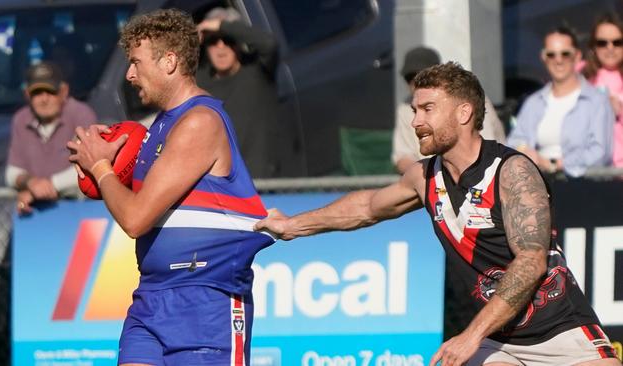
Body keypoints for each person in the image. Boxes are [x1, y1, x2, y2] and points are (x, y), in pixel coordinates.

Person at [254, 62, 621, 366]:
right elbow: (366, 207)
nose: (415, 121)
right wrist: (292, 225)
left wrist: (469, 336)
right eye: (415, 110)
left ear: (464, 113)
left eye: (427, 109)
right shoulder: (424, 175)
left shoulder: (511, 171)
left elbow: (531, 263)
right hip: (497, 342)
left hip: (561, 333)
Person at [67, 9, 274, 365]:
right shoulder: (160, 126)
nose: (129, 75)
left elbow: (135, 218)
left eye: (135, 62)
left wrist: (101, 167)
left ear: (169, 62)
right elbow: (125, 188)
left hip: (206, 301)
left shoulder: (200, 122)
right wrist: (103, 159)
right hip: (151, 298)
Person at [508, 27, 614, 177]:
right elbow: (513, 141)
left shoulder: (597, 101)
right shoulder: (533, 103)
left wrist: (557, 164)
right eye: (551, 54)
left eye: (565, 54)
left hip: (583, 187)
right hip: (537, 186)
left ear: (577, 56)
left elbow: (601, 154)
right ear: (543, 57)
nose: (558, 60)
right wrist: (524, 151)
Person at [392, 46, 506, 173]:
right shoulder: (404, 108)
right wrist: (427, 180)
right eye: (410, 78)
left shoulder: (468, 98)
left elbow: (484, 151)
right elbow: (402, 156)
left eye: (425, 76)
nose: (416, 82)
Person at [196, 7, 280, 178]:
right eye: (213, 41)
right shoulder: (200, 81)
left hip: (265, 181)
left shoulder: (257, 70)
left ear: (239, 41)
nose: (221, 47)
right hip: (224, 185)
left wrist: (221, 25)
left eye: (228, 40)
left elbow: (269, 44)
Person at [6, 61, 97, 214]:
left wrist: (48, 186)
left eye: (50, 91)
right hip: (36, 212)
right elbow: (12, 172)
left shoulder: (81, 114)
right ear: (27, 95)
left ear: (64, 91)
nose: (44, 99)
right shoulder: (20, 119)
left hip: (80, 208)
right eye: (37, 93)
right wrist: (32, 183)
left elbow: (90, 166)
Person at [581, 14, 623, 167]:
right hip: (590, 172)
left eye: (617, 42)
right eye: (602, 43)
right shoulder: (579, 76)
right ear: (593, 46)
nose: (610, 48)